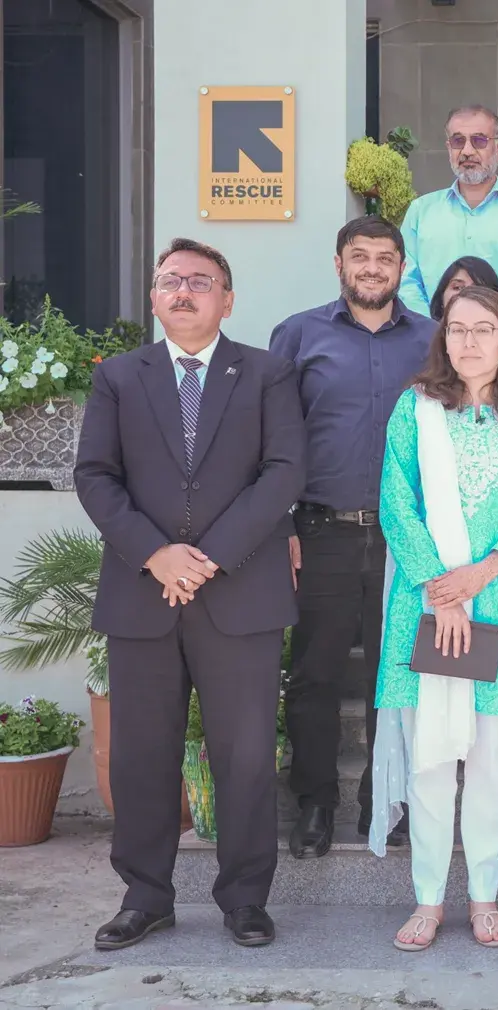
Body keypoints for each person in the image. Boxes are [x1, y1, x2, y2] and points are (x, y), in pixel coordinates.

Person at [76, 238, 306, 950]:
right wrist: (156, 554)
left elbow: (283, 471)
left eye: (200, 281)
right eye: (170, 280)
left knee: (245, 755)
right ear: (153, 298)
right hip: (142, 594)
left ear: (227, 301)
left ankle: (245, 899)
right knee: (142, 755)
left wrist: (207, 559)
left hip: (240, 592)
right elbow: (95, 475)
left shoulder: (267, 373)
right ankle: (145, 896)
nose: (183, 291)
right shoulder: (118, 376)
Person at [369, 285, 498, 952]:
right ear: (443, 339)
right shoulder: (415, 410)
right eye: (457, 329)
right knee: (428, 761)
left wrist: (483, 573)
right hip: (425, 604)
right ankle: (427, 898)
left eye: (484, 329)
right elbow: (396, 503)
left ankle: (484, 895)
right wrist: (442, 590)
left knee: (489, 763)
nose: (469, 340)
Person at [270, 217, 437, 861]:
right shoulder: (299, 333)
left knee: (395, 676)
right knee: (314, 673)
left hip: (408, 538)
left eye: (385, 257)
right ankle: (315, 802)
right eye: (359, 256)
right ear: (338, 263)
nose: (372, 267)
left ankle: (384, 799)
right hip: (320, 532)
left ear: (402, 267)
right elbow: (272, 435)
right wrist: (281, 523)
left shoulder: (432, 339)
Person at [399, 104, 498, 322]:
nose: (467, 151)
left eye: (479, 140)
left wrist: (489, 330)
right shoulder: (420, 211)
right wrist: (434, 331)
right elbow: (406, 281)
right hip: (429, 337)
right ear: (449, 149)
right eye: (458, 141)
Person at [429, 255, 498, 320]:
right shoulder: (427, 332)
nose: (466, 293)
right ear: (441, 299)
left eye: (477, 288)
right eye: (457, 287)